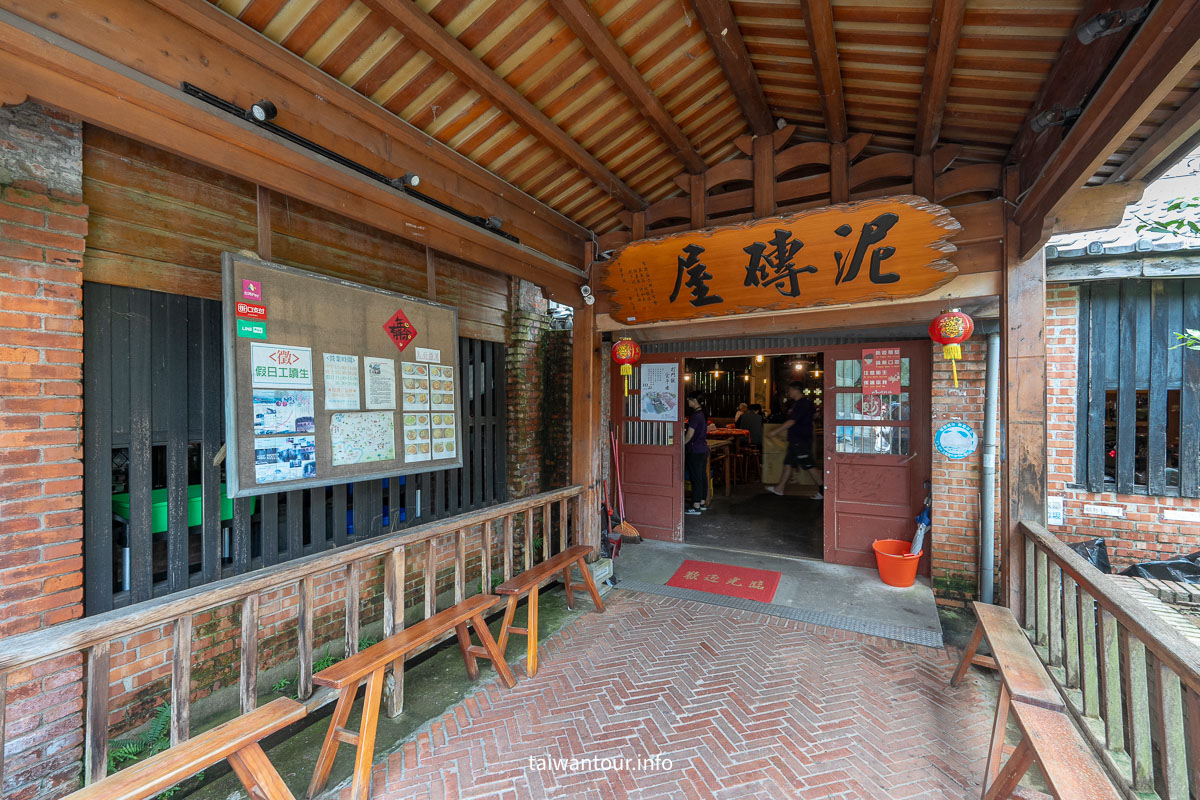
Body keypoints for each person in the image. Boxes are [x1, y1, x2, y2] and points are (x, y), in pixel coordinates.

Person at [767, 381, 823, 499]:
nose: (789, 392)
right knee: (788, 464)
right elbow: (815, 416)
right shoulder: (807, 403)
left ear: (796, 390)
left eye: (790, 390)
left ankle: (824, 491)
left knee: (810, 466)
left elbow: (792, 421)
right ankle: (779, 488)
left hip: (800, 439)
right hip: (797, 439)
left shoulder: (801, 404)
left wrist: (774, 432)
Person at [683, 391, 710, 514]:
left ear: (694, 400)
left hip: (695, 450)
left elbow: (689, 435)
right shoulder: (703, 414)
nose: (687, 401)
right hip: (703, 449)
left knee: (696, 478)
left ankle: (696, 505)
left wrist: (681, 444)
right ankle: (703, 502)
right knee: (702, 476)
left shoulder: (695, 416)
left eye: (689, 399)